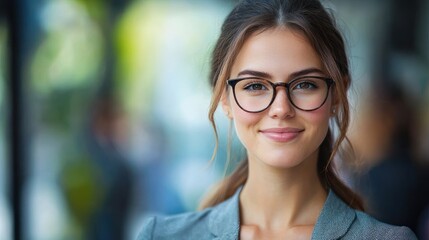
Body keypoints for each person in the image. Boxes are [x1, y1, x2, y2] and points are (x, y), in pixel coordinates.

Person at [137, 0, 417, 239]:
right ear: (224, 98)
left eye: (305, 84)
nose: (281, 109)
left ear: (337, 95)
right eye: (255, 86)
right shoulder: (160, 235)